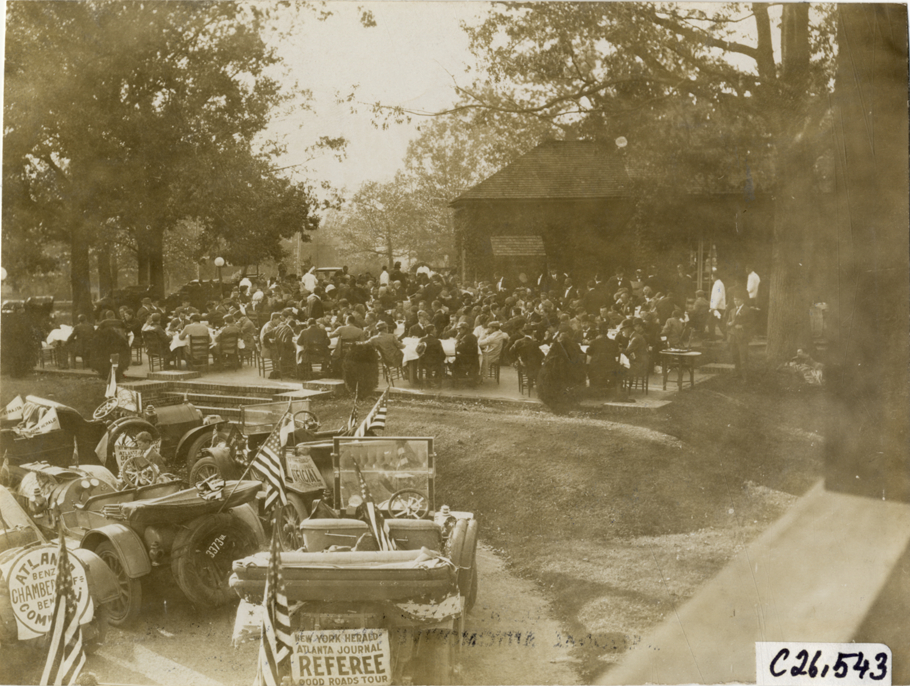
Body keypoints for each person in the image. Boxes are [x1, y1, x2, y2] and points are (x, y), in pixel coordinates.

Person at [725, 290, 755, 380]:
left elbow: (752, 323)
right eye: (734, 300)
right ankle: (737, 374)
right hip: (733, 336)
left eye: (737, 300)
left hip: (742, 337)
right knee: (735, 356)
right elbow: (727, 322)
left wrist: (742, 326)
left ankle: (745, 376)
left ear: (742, 300)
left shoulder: (748, 310)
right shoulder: (732, 310)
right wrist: (729, 324)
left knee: (743, 357)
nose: (736, 302)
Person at [709, 270, 726, 340]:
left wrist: (714, 307)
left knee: (714, 323)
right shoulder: (717, 283)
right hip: (717, 307)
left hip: (717, 307)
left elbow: (719, 296)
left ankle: (713, 337)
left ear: (715, 276)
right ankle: (713, 337)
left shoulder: (718, 284)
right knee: (718, 323)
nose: (711, 277)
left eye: (712, 276)